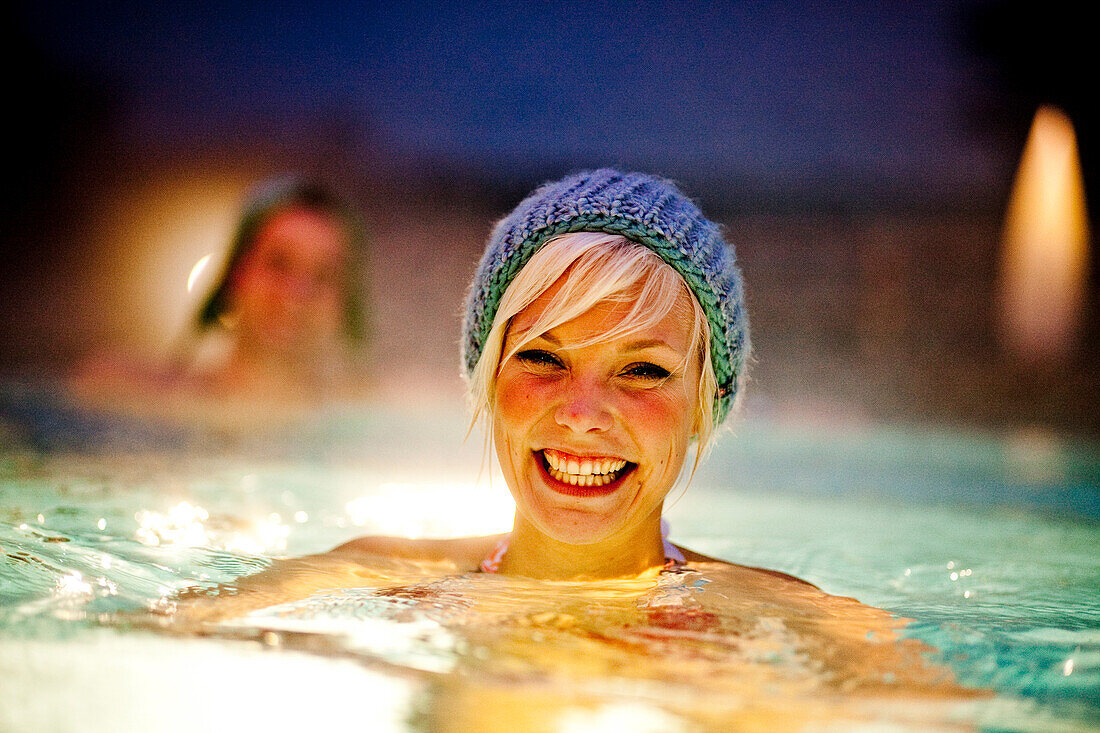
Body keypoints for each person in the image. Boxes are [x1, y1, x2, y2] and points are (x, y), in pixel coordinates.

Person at [174, 170, 982, 726]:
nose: (584, 413)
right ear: (487, 379)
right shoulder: (363, 579)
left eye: (642, 369)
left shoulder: (806, 628)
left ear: (706, 408)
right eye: (543, 358)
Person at [67, 175, 371, 438]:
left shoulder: (371, 416)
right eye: (278, 264)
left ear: (345, 306)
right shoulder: (122, 393)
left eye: (324, 275)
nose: (298, 292)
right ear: (235, 275)